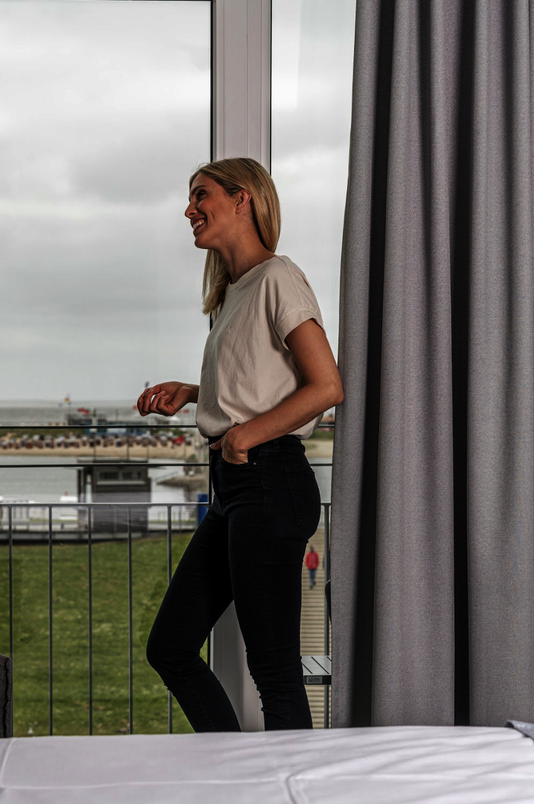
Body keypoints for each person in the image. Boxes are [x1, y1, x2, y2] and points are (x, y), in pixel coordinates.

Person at [139, 157, 343, 732]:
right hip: (235, 489)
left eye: (200, 195)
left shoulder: (279, 277)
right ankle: (235, 773)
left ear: (242, 199)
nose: (189, 209)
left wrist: (247, 433)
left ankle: (287, 792)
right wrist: (195, 392)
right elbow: (258, 384)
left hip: (269, 481)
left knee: (275, 669)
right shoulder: (234, 294)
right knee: (171, 648)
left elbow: (327, 385)